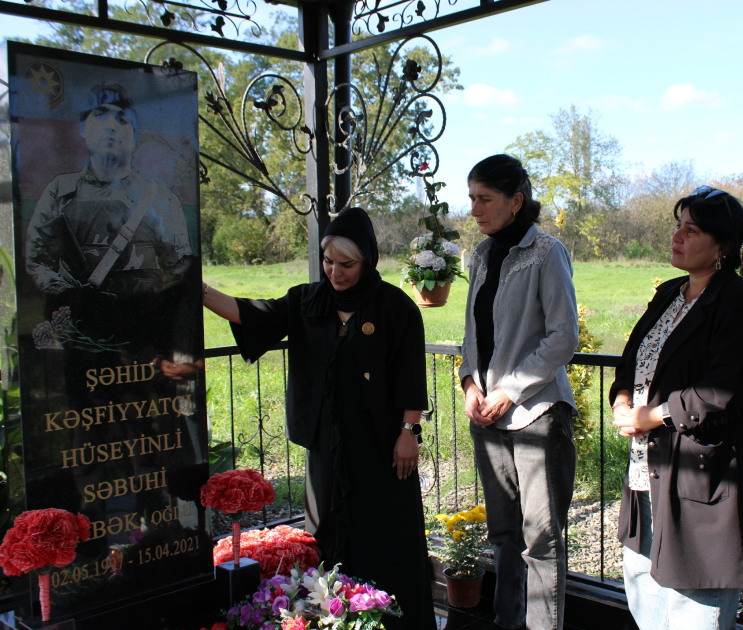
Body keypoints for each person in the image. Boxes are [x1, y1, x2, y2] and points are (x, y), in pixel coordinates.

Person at [203, 207, 435, 630]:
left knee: (387, 532)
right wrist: (202, 293)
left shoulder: (395, 308)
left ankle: (398, 619)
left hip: (381, 443)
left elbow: (410, 375)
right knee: (328, 525)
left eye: (347, 264)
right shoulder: (307, 301)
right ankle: (339, 616)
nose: (336, 272)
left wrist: (409, 431)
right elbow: (253, 313)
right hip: (326, 443)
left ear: (368, 260)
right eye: (328, 262)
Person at [609, 186, 743, 630]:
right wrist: (623, 398)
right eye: (677, 225)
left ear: (722, 246)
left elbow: (724, 391)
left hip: (703, 478)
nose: (677, 236)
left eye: (692, 229)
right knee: (643, 595)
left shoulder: (740, 303)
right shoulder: (668, 294)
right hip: (647, 474)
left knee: (691, 608)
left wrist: (653, 415)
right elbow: (632, 360)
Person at [459, 154, 579, 630]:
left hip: (537, 415)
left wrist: (509, 390)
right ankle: (508, 623)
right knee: (503, 534)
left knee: (542, 537)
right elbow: (473, 332)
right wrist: (470, 382)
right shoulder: (482, 255)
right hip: (487, 414)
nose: (474, 210)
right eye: (471, 198)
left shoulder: (547, 253)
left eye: (484, 199)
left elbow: (562, 336)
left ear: (516, 201)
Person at [25, 82, 193, 299]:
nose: (111, 126)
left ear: (134, 137)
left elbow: (180, 267)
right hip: (79, 326)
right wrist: (70, 297)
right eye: (101, 115)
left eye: (122, 119)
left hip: (141, 318)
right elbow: (37, 260)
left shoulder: (162, 199)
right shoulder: (60, 191)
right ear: (83, 128)